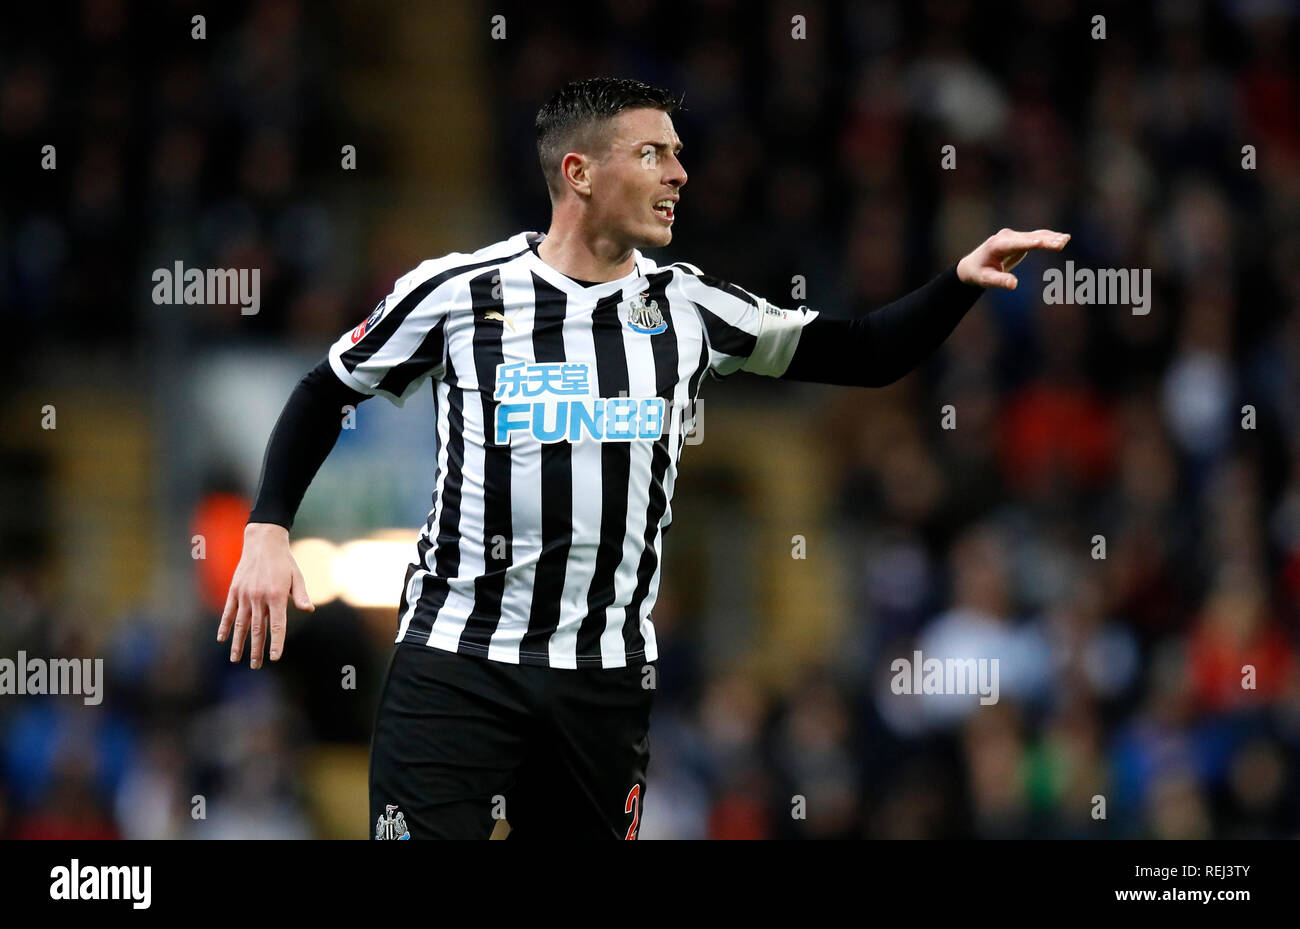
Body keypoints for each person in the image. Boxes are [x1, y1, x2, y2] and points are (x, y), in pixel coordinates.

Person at [217, 77, 1069, 839]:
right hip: (457, 663)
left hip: (603, 678)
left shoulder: (689, 307)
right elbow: (325, 389)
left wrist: (958, 280)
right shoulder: (459, 291)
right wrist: (267, 526)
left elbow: (862, 353)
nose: (679, 174)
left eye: (679, 155)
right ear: (580, 173)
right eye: (654, 153)